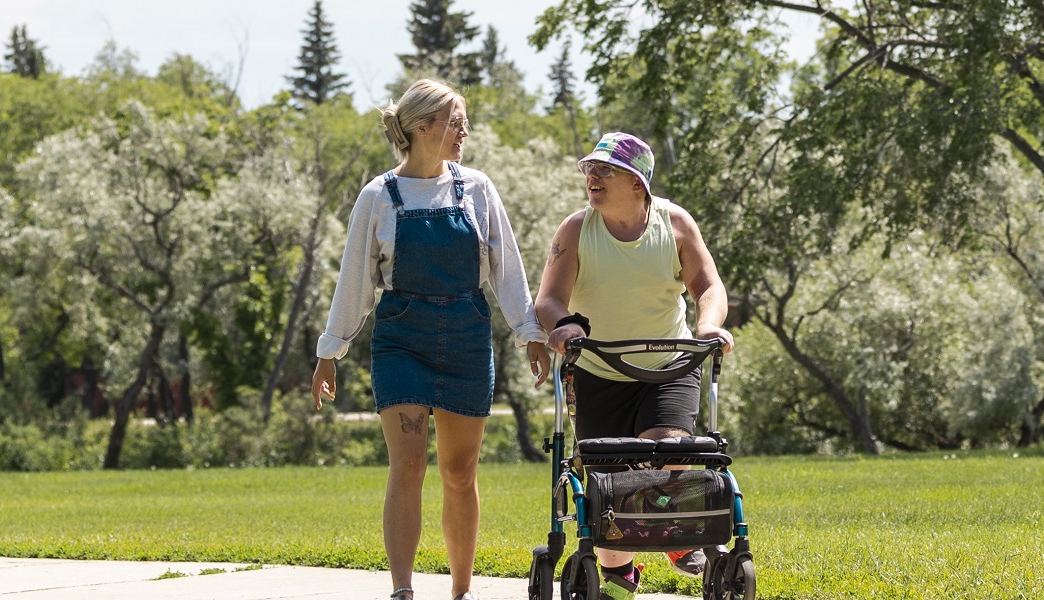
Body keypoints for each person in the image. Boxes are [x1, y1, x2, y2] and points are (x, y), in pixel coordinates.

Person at [311, 79, 541, 600]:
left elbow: (507, 268)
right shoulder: (378, 196)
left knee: (459, 473)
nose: (465, 131)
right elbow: (355, 281)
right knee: (409, 462)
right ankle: (403, 590)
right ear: (421, 128)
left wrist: (528, 331)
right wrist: (331, 352)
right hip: (402, 340)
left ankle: (461, 590)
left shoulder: (476, 188)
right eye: (456, 122)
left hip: (465, 336)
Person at [527, 132, 732, 600]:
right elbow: (549, 299)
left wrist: (709, 326)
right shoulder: (576, 230)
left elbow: (709, 287)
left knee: (671, 450)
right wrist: (562, 326)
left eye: (606, 170)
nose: (591, 177)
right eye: (589, 169)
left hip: (669, 365)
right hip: (599, 369)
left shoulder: (675, 224)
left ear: (638, 183)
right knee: (609, 481)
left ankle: (677, 537)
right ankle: (620, 575)